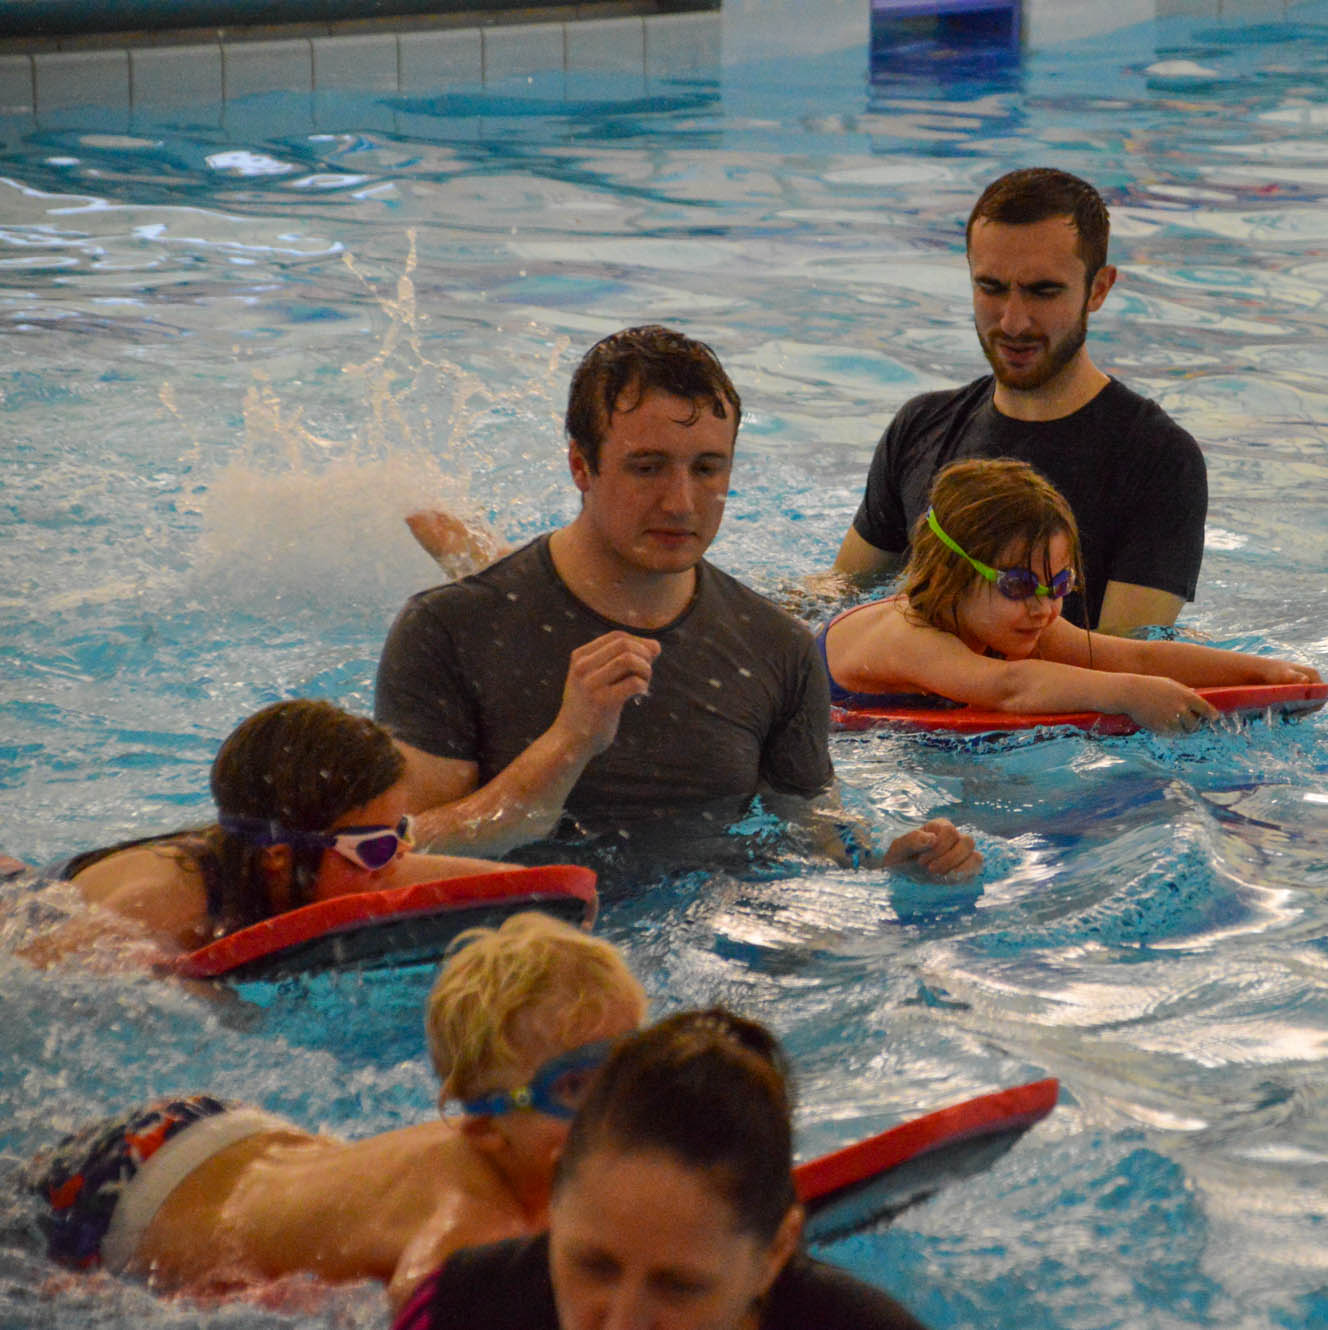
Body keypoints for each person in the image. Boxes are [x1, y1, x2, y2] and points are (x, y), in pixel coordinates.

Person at [374, 325, 977, 878]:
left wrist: (888, 866)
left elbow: (818, 835)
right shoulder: (449, 629)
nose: (681, 502)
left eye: (707, 469)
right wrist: (566, 745)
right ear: (581, 466)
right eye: (648, 468)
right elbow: (389, 856)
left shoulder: (777, 647)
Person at [22, 911, 648, 1310]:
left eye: (628, 1070)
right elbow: (421, 1305)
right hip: (130, 1195)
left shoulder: (533, 1159)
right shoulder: (469, 1225)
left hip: (222, 1135)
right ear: (483, 1127)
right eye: (574, 1089)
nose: (615, 1111)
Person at [830, 167, 1206, 636]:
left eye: (1043, 291)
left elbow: (1117, 661)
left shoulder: (1158, 460)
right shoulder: (921, 427)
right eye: (990, 287)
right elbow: (836, 598)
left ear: (1098, 289)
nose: (1012, 322)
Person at [394, 1008, 926, 1330]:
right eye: (593, 1266)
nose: (622, 1323)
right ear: (554, 1199)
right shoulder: (462, 1312)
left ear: (775, 1252)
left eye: (679, 1287)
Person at [822, 459, 1318, 733]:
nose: (1043, 608)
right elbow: (1009, 687)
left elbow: (1135, 658)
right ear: (951, 574)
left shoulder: (1015, 620)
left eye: (1059, 586)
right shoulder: (908, 634)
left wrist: (1261, 672)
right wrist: (1128, 694)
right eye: (1018, 586)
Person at [25, 699, 513, 964]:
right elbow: (37, 972)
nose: (399, 856)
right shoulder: (160, 905)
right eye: (377, 846)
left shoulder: (341, 859)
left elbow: (516, 890)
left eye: (398, 832)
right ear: (278, 856)